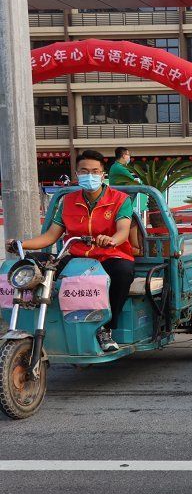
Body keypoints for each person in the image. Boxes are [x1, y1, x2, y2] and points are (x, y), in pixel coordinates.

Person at [6, 150, 135, 353]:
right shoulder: (68, 201)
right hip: (77, 257)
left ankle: (106, 329)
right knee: (34, 268)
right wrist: (21, 244)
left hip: (110, 256)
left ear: (103, 175)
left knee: (123, 273)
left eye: (95, 171)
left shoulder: (120, 199)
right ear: (77, 174)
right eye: (84, 171)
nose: (90, 175)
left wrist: (110, 240)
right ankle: (42, 322)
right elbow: (50, 236)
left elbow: (123, 231)